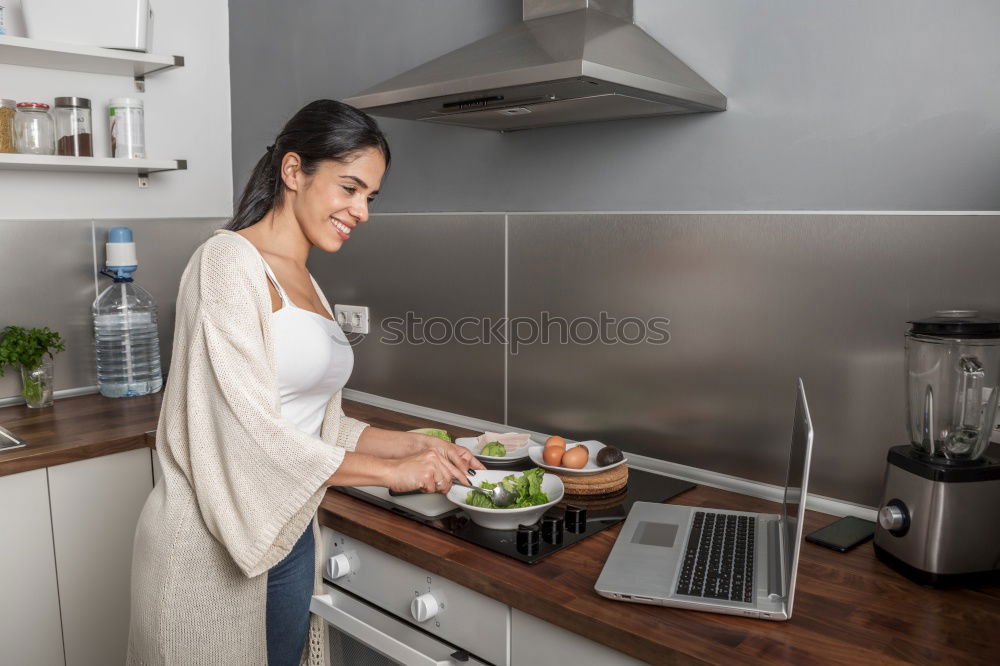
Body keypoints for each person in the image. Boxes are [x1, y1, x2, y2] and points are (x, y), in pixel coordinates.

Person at [127, 99, 485, 666]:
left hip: (287, 534)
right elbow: (243, 435)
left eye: (370, 196)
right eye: (349, 187)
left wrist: (418, 444)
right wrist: (394, 471)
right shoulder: (225, 262)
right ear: (293, 172)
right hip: (209, 545)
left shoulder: (305, 280)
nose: (361, 210)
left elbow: (322, 424)